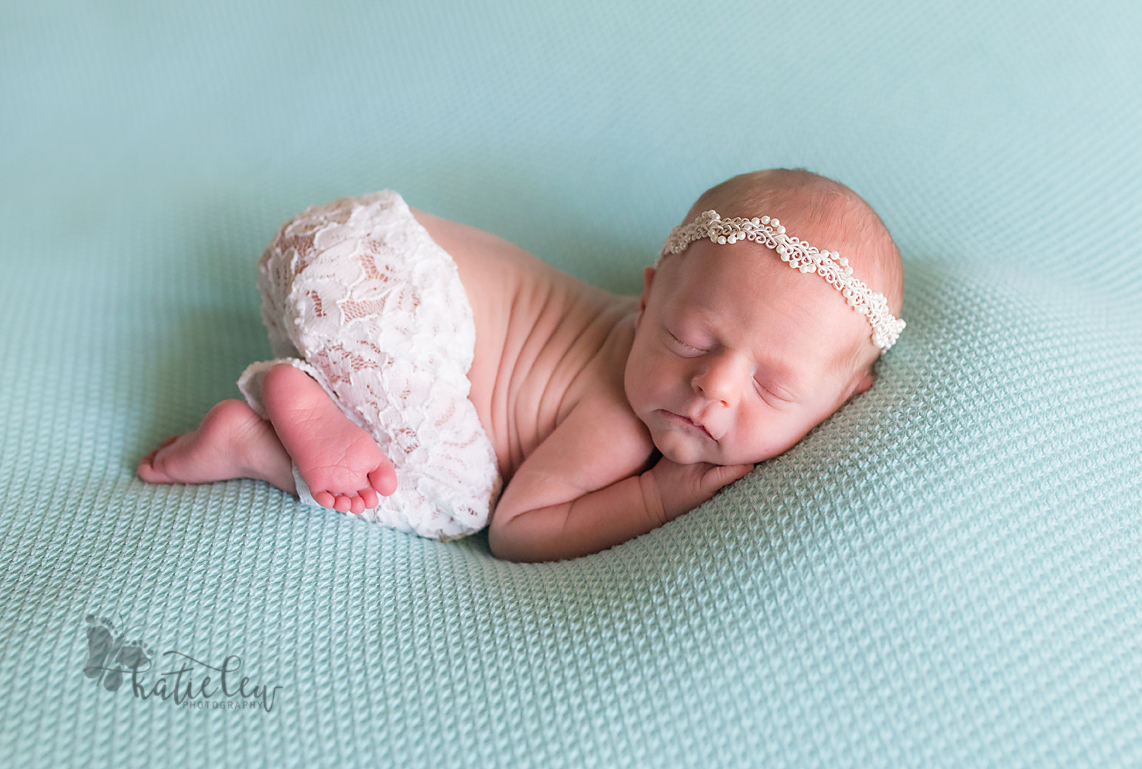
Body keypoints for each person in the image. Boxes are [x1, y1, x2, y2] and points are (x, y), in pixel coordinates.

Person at [137, 168, 905, 563]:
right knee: (465, 503)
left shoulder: (650, 341)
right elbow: (522, 530)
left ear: (843, 399)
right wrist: (660, 499)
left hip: (348, 250)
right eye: (690, 340)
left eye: (773, 386)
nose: (715, 386)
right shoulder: (621, 420)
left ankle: (316, 386)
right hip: (386, 302)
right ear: (650, 296)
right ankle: (262, 435)